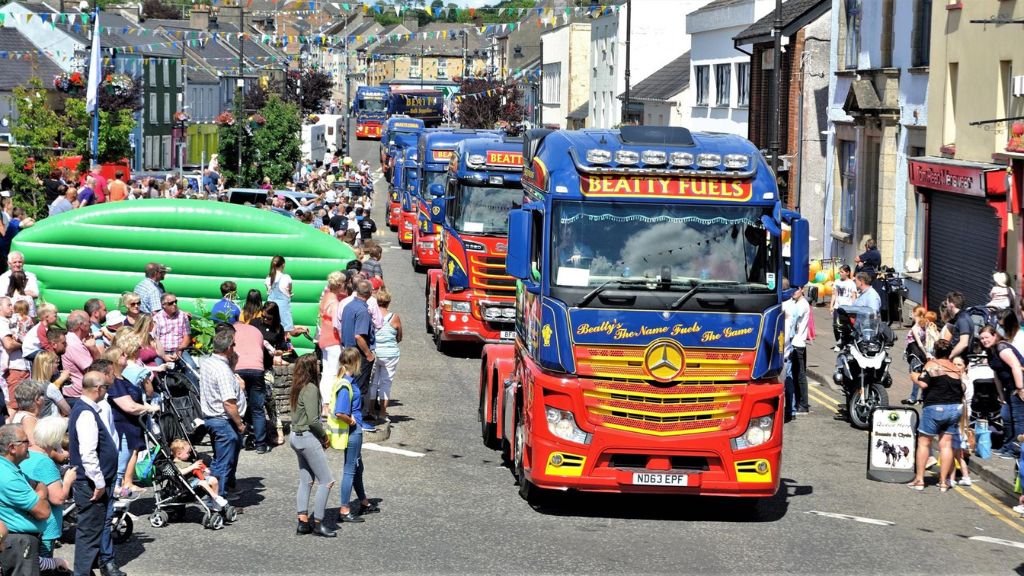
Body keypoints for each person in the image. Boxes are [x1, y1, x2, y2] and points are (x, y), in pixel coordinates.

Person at [68, 371, 123, 576]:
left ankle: (85, 571)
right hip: (90, 483)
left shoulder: (88, 409)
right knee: (89, 534)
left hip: (96, 481)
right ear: (98, 389)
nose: (107, 391)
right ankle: (81, 573)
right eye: (106, 387)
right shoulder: (86, 413)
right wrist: (99, 482)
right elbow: (88, 453)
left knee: (93, 530)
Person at [103, 342, 160, 499]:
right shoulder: (114, 383)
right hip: (122, 429)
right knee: (118, 471)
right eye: (122, 355)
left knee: (121, 469)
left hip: (131, 427)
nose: (126, 355)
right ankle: (113, 510)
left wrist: (146, 405)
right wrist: (150, 409)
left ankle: (116, 508)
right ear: (114, 360)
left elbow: (137, 401)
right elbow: (129, 406)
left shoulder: (123, 379)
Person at [907, 339, 964, 492]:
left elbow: (923, 383)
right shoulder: (955, 368)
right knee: (945, 445)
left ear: (935, 352)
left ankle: (919, 480)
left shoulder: (932, 364)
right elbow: (962, 387)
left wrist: (914, 376)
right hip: (954, 409)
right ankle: (944, 483)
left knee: (924, 443)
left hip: (935, 408)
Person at [330, 348, 379, 524]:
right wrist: (352, 423)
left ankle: (364, 502)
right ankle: (344, 509)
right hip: (353, 432)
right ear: (355, 363)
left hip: (354, 430)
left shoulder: (347, 381)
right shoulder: (346, 384)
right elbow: (340, 412)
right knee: (350, 469)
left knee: (358, 468)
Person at [288, 354, 336, 537]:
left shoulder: (297, 386)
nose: (318, 367)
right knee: (327, 481)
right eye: (316, 365)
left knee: (306, 480)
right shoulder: (311, 389)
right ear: (310, 369)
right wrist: (324, 438)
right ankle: (318, 523)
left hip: (295, 436)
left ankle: (302, 522)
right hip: (307, 437)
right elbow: (314, 421)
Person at [19, 416, 72, 572]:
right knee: (44, 566)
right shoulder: (44, 462)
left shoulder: (26, 454)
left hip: (27, 524)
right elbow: (58, 498)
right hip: (45, 527)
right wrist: (68, 480)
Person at [199, 328, 246, 498]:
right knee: (223, 464)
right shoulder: (223, 371)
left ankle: (219, 495)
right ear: (228, 348)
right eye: (233, 345)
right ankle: (215, 499)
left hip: (212, 418)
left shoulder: (207, 362)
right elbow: (229, 402)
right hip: (223, 420)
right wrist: (240, 424)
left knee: (221, 460)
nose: (235, 348)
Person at [0, 423, 50, 576]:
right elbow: (43, 512)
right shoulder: (7, 477)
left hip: (18, 543)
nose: (30, 444)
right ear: (12, 448)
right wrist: (41, 493)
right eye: (25, 441)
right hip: (19, 545)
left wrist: (39, 492)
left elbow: (38, 485)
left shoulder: (10, 468)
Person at [980, 324, 1024, 456]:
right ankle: (1007, 445)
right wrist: (1001, 394)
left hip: (1019, 385)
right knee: (1006, 417)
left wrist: (1020, 388)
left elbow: (1016, 366)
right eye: (981, 338)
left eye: (986, 337)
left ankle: (1016, 449)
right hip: (1009, 388)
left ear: (995, 335)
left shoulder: (1002, 348)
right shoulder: (991, 352)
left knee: (1018, 419)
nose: (984, 340)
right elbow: (997, 374)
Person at [339, 280, 376, 427]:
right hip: (358, 354)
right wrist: (368, 354)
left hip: (348, 351)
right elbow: (359, 336)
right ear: (370, 293)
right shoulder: (362, 311)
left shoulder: (348, 306)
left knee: (350, 385)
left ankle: (351, 416)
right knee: (360, 387)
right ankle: (358, 420)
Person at [233, 319, 269, 454]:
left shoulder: (231, 330)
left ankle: (239, 438)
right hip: (257, 368)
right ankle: (261, 445)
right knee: (257, 408)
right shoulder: (256, 331)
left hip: (238, 368)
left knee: (235, 404)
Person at [370, 289, 401, 424]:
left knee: (373, 382)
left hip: (375, 352)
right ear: (388, 302)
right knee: (386, 383)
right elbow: (399, 336)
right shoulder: (394, 317)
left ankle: (371, 410)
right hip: (390, 354)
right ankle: (383, 412)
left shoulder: (371, 316)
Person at [169, 439, 228, 510]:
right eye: (187, 453)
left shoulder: (187, 461)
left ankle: (213, 502)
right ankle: (215, 497)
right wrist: (192, 466)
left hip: (196, 480)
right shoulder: (176, 464)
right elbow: (180, 472)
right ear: (179, 454)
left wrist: (204, 470)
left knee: (213, 480)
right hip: (187, 484)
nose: (189, 454)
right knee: (203, 482)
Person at [318, 272, 346, 413]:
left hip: (324, 338)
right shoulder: (335, 303)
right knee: (334, 373)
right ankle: (330, 404)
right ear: (340, 285)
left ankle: (325, 404)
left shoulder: (326, 297)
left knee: (326, 372)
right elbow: (337, 325)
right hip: (334, 340)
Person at [783, 285, 811, 419]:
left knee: (799, 375)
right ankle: (799, 402)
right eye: (792, 290)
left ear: (802, 290)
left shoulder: (802, 305)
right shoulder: (796, 302)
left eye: (796, 290)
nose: (793, 292)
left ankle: (803, 405)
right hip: (796, 342)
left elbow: (793, 321)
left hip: (797, 343)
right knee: (794, 374)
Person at [903, 307, 940, 406]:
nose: (911, 314)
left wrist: (926, 353)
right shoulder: (925, 326)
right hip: (923, 355)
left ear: (916, 314)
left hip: (916, 354)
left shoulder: (915, 328)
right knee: (924, 375)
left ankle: (913, 398)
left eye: (913, 312)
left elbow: (919, 344)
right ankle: (923, 397)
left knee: (916, 375)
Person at [0, 297, 29, 411]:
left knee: (24, 406)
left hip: (21, 367)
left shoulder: (11, 321)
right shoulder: (1, 323)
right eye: (9, 305)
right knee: (14, 405)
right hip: (14, 369)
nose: (12, 308)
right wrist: (25, 343)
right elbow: (9, 344)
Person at [31, 351, 70, 418]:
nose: (58, 365)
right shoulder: (50, 387)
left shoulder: (30, 384)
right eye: (56, 363)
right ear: (48, 365)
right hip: (52, 425)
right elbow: (67, 410)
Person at [153, 292, 191, 359]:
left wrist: (179, 351)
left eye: (175, 302)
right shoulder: (157, 318)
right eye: (171, 303)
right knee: (155, 367)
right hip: (162, 351)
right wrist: (163, 356)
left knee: (191, 366)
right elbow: (155, 340)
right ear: (163, 305)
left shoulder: (183, 316)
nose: (174, 304)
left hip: (180, 349)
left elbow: (187, 336)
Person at [10, 381, 45, 448]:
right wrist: (58, 456)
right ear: (37, 399)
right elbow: (33, 445)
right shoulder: (28, 419)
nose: (44, 398)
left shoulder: (21, 415)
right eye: (42, 394)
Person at [265, 256, 295, 332]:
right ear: (283, 264)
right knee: (284, 331)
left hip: (270, 311)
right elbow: (290, 290)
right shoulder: (286, 277)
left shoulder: (268, 278)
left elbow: (268, 291)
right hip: (283, 311)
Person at [830, 265, 856, 349]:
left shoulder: (851, 283)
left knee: (846, 326)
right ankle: (838, 342)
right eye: (839, 272)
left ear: (847, 273)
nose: (840, 273)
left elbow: (853, 296)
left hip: (847, 308)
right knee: (835, 326)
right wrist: (831, 306)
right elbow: (834, 294)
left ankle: (846, 343)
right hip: (837, 307)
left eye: (842, 272)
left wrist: (854, 308)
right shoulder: (837, 282)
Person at [944, 291, 973, 361]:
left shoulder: (962, 319)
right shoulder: (962, 316)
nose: (946, 306)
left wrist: (950, 356)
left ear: (951, 305)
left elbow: (964, 343)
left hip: (959, 359)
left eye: (947, 303)